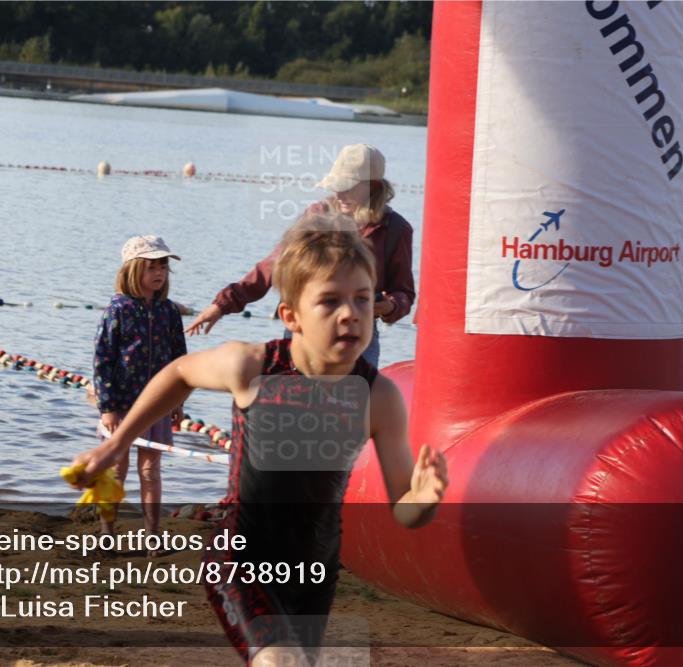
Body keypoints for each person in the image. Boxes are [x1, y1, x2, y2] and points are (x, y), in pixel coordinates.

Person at [72, 214, 447, 666]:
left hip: (315, 568)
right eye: (329, 302)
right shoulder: (252, 366)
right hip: (240, 557)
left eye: (362, 300)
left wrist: (423, 499)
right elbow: (177, 373)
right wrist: (115, 445)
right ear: (291, 316)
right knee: (280, 662)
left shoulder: (378, 395)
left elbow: (404, 509)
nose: (350, 313)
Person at [186, 143, 416, 368]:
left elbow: (404, 292)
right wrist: (221, 305)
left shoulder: (397, 230)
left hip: (357, 333)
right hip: (306, 326)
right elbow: (275, 264)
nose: (339, 193)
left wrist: (389, 306)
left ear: (373, 187)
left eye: (348, 187)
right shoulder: (318, 215)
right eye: (337, 185)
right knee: (296, 403)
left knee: (351, 403)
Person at [92, 234, 187, 544]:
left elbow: (179, 362)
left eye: (163, 267)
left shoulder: (169, 311)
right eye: (152, 267)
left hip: (157, 404)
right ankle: (107, 530)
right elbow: (103, 359)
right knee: (117, 469)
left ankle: (152, 535)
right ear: (133, 270)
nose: (159, 273)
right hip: (121, 403)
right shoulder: (117, 310)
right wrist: (107, 408)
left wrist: (178, 401)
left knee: (149, 470)